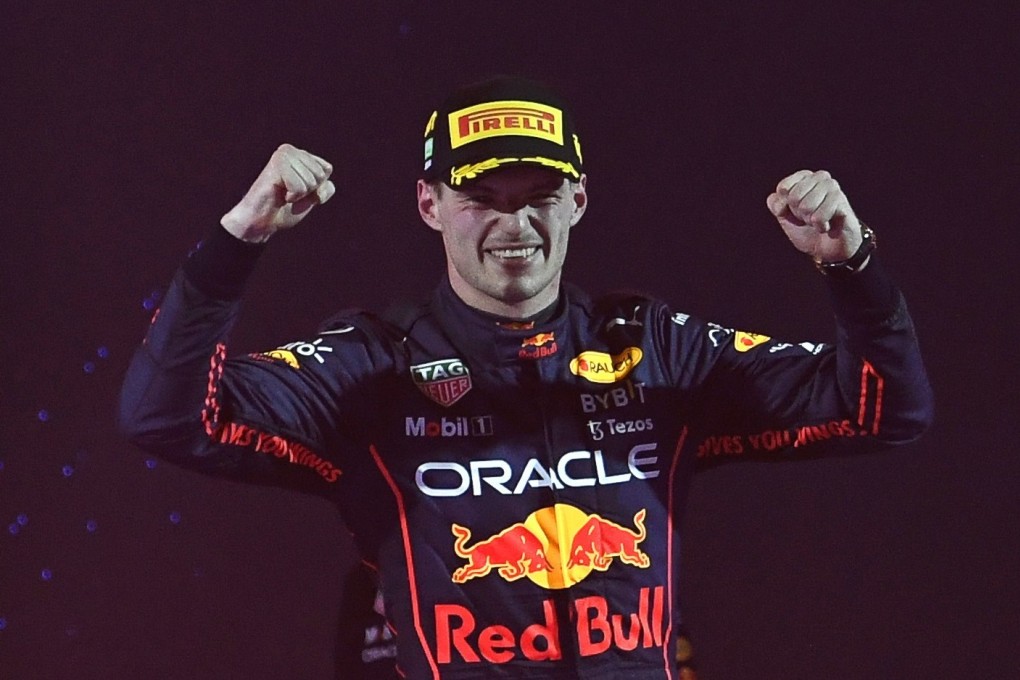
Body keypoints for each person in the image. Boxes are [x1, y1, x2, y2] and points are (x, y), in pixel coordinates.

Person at [119, 76, 934, 679]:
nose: (515, 224)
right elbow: (166, 416)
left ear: (578, 200)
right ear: (430, 204)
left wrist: (851, 266)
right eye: (481, 196)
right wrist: (238, 241)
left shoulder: (658, 350)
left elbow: (885, 413)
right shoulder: (372, 365)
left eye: (540, 195)